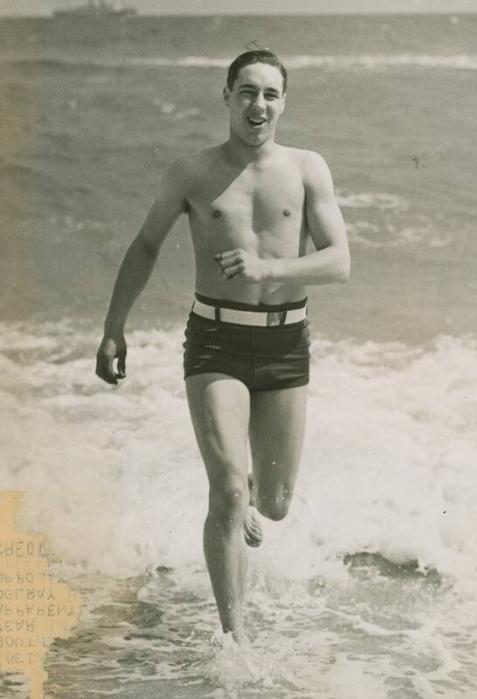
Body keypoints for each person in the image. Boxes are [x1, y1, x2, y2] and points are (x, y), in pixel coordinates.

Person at [96, 49, 350, 642]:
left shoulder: (309, 168)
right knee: (229, 491)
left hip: (286, 343)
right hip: (215, 341)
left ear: (283, 102)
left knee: (277, 502)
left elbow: (339, 262)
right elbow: (145, 246)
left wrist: (265, 267)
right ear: (227, 97)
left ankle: (251, 495)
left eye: (269, 94)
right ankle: (235, 642)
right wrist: (114, 326)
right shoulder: (190, 173)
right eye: (246, 92)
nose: (257, 104)